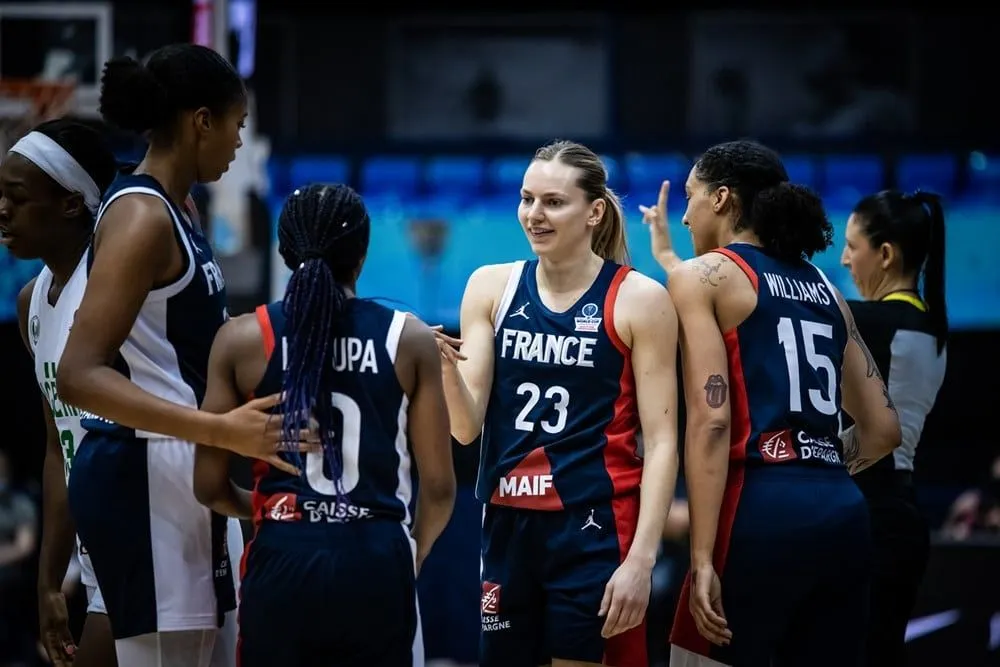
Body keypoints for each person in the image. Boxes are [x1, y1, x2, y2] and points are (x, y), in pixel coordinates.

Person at [54, 44, 297, 667]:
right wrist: (218, 428)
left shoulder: (179, 208)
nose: (239, 144)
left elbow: (190, 340)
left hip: (181, 466)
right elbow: (78, 374)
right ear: (201, 121)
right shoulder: (142, 216)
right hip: (143, 471)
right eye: (237, 127)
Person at [641, 140, 901, 667]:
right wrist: (815, 462)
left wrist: (701, 556)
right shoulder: (825, 287)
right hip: (841, 514)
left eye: (690, 197)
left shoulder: (702, 277)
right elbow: (882, 430)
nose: (685, 214)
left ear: (721, 199)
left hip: (755, 513)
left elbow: (713, 422)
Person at [433, 139, 680, 667]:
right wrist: (445, 370)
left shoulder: (639, 298)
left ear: (593, 212)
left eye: (552, 202)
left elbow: (661, 443)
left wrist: (641, 559)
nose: (534, 214)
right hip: (507, 522)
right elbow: (465, 429)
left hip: (591, 524)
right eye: (527, 199)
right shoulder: (490, 286)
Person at [191, 182, 455, 666]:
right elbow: (438, 489)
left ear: (284, 250)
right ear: (362, 254)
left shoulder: (241, 340)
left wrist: (276, 510)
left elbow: (209, 486)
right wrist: (407, 553)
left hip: (283, 554)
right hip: (375, 553)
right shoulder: (409, 337)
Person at [2, 118, 118, 667]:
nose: (2, 209)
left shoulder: (112, 289)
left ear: (72, 204)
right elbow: (57, 447)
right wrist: (51, 580)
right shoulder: (32, 302)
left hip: (150, 537)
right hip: (93, 546)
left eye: (17, 197)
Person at [840, 189, 948, 667]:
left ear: (885, 254)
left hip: (868, 515)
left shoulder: (866, 321)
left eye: (851, 246)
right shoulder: (933, 325)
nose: (844, 260)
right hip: (901, 513)